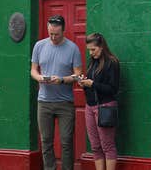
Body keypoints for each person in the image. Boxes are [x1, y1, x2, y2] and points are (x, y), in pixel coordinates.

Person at [31, 15, 83, 170]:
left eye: (56, 34)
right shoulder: (39, 46)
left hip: (65, 102)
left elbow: (78, 75)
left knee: (66, 141)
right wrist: (40, 77)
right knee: (46, 141)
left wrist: (61, 80)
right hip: (44, 102)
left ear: (63, 31)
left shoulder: (73, 48)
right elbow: (33, 70)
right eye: (50, 33)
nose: (53, 37)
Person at [78, 32, 120, 170]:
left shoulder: (112, 62)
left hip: (106, 107)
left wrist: (92, 84)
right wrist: (84, 83)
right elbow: (91, 86)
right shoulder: (93, 63)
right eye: (89, 50)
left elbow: (113, 89)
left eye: (93, 49)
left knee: (107, 145)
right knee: (95, 146)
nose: (91, 53)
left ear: (101, 46)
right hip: (90, 107)